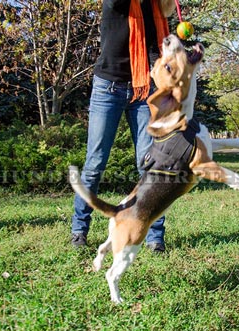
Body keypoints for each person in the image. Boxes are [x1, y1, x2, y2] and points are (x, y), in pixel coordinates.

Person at [70, 0, 175, 252]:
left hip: (144, 90)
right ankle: (79, 230)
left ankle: (153, 235)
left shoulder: (153, 8)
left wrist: (164, 68)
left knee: (149, 164)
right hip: (108, 88)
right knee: (95, 163)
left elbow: (152, 49)